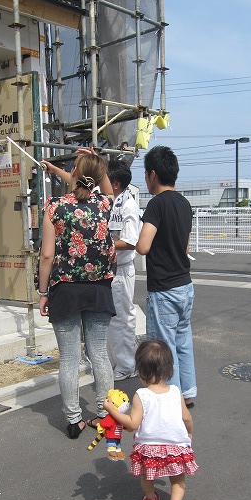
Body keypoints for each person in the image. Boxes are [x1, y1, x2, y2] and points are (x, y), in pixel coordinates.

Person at [38, 149, 116, 439]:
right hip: (99, 289)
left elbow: (47, 256)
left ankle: (73, 420)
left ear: (73, 173)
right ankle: (106, 416)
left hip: (65, 290)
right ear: (97, 176)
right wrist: (97, 162)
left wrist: (42, 292)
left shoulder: (54, 207)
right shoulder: (104, 204)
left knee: (69, 358)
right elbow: (106, 188)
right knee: (99, 354)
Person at [104, 339, 198, 500]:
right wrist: (189, 433)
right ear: (169, 369)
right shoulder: (175, 392)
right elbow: (186, 418)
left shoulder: (141, 395)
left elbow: (133, 423)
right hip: (176, 446)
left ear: (141, 371)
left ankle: (150, 499)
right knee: (178, 479)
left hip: (149, 448)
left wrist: (112, 410)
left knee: (147, 477)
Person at [136, 145, 197, 409]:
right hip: (185, 285)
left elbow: (143, 246)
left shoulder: (156, 204)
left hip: (163, 289)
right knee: (183, 342)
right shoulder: (184, 203)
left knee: (163, 347)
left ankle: (172, 401)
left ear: (152, 174)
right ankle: (187, 393)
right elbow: (185, 246)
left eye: (145, 174)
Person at [107, 159, 141, 380]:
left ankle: (126, 365)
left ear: (116, 183)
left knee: (122, 318)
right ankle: (117, 362)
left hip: (121, 269)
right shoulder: (111, 201)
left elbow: (130, 241)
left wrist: (102, 244)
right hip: (111, 269)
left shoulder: (127, 205)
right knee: (113, 319)